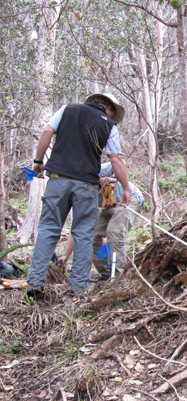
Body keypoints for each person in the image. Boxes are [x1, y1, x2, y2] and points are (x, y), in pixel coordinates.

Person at [26, 93, 131, 298]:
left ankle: (35, 283)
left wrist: (38, 161)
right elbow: (116, 159)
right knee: (83, 234)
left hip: (57, 179)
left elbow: (47, 130)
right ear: (109, 108)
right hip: (85, 184)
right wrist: (125, 187)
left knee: (48, 229)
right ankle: (78, 289)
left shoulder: (67, 109)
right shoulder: (109, 125)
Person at [57, 163, 144, 281]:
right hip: (109, 207)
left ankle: (119, 276)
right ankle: (107, 272)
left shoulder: (96, 170)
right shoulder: (78, 197)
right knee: (90, 237)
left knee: (114, 231)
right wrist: (66, 255)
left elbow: (119, 162)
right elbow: (77, 228)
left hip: (129, 200)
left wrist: (114, 178)